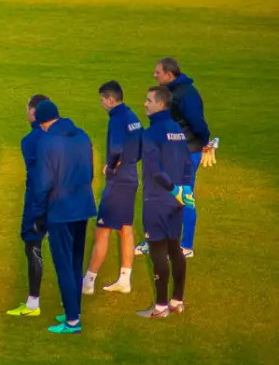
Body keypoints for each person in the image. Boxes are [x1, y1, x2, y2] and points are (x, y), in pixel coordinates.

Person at [29, 100, 97, 335]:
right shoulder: (82, 136)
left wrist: (38, 214)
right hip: (83, 205)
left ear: (41, 121)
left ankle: (72, 321)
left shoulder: (47, 141)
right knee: (76, 261)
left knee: (64, 264)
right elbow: (90, 171)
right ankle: (73, 309)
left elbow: (43, 183)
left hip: (60, 210)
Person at [143, 57, 213, 258]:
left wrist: (204, 142)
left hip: (187, 153)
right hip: (173, 152)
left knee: (184, 196)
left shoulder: (186, 94)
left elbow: (198, 124)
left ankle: (186, 246)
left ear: (169, 74)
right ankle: (155, 240)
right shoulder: (171, 92)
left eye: (158, 72)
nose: (154, 75)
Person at [137, 86, 196, 319]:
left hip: (157, 200)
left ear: (160, 104)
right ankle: (177, 302)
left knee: (157, 251)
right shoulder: (178, 131)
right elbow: (189, 166)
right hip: (178, 200)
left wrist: (171, 189)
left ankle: (160, 307)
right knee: (175, 248)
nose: (145, 104)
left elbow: (153, 169)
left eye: (148, 100)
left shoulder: (151, 133)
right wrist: (184, 191)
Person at [83, 81, 142, 296]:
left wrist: (111, 166)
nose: (101, 105)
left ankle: (88, 282)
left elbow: (116, 147)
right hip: (132, 176)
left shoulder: (117, 119)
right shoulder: (132, 116)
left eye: (102, 100)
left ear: (110, 99)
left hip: (117, 181)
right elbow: (141, 145)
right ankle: (124, 280)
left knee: (102, 231)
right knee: (126, 228)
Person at [7, 94, 51, 317]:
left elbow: (37, 177)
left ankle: (33, 302)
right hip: (64, 202)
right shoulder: (67, 136)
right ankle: (71, 304)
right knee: (64, 252)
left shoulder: (29, 141)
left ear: (33, 113)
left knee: (33, 247)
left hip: (37, 202)